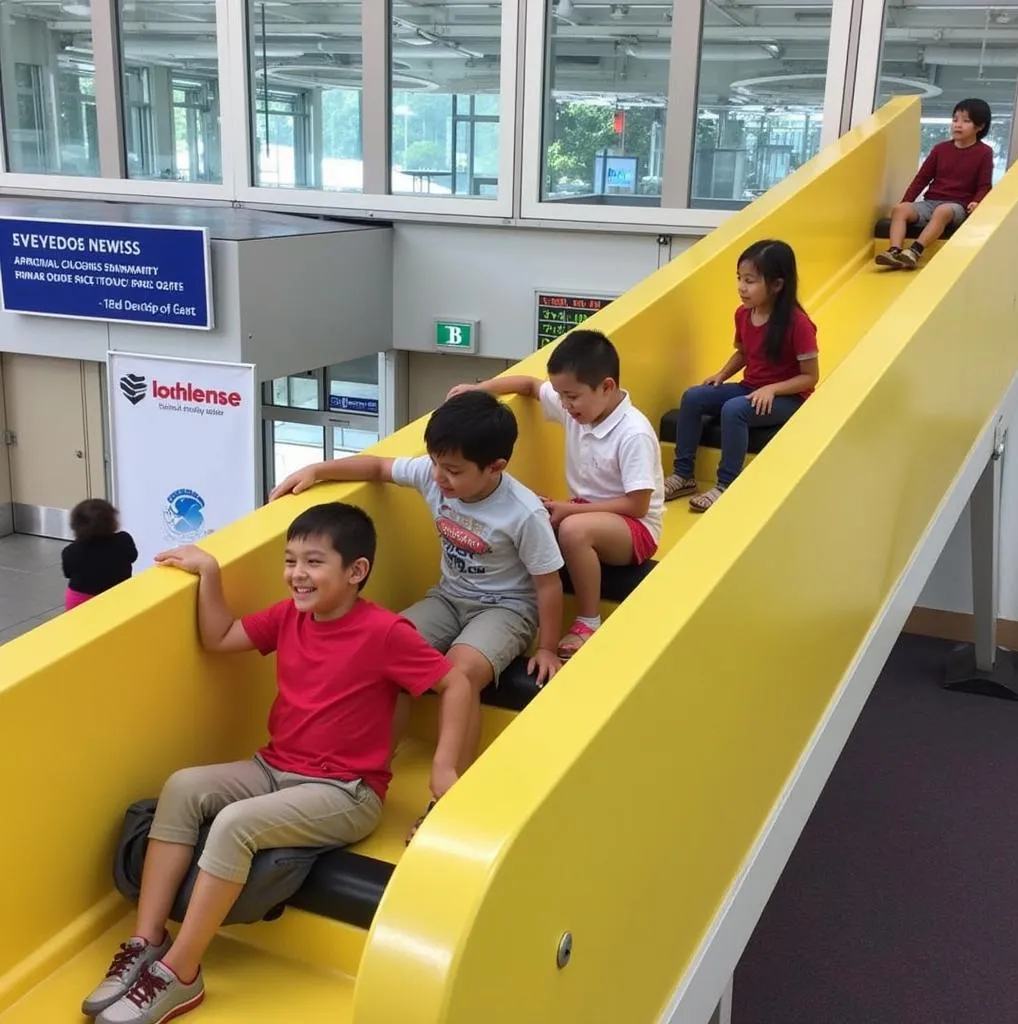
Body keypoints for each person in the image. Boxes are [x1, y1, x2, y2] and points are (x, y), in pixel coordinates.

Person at [81, 502, 472, 1024]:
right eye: (291, 561)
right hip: (273, 767)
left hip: (345, 791)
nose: (297, 575)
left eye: (313, 562)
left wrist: (444, 769)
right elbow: (220, 638)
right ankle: (146, 941)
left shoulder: (384, 632)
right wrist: (209, 571)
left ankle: (182, 973)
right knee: (182, 786)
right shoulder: (290, 616)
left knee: (234, 823)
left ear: (356, 572)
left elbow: (457, 682)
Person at [270, 391, 565, 801]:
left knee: (459, 673)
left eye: (453, 471)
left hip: (506, 609)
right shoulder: (432, 475)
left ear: (495, 467)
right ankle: (361, 775)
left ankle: (448, 792)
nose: (440, 478)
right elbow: (376, 466)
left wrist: (548, 648)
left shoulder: (523, 511)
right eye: (435, 464)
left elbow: (548, 583)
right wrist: (318, 470)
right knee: (384, 656)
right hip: (447, 597)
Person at [448, 330, 664, 659]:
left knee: (574, 530)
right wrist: (478, 390)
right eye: (561, 395)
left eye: (572, 396)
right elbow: (528, 386)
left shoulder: (633, 433)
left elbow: (638, 506)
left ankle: (588, 620)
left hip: (634, 529)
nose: (564, 404)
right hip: (586, 510)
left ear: (606, 387)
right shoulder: (578, 405)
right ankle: (510, 608)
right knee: (526, 513)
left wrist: (569, 511)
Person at [666, 239, 819, 513]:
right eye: (739, 278)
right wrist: (722, 374)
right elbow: (744, 353)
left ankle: (726, 484)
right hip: (751, 386)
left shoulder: (798, 323)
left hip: (789, 397)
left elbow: (810, 378)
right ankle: (683, 475)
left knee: (734, 410)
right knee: (693, 397)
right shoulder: (744, 314)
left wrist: (772, 390)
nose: (741, 287)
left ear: (777, 285)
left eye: (750, 281)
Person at [875, 97, 993, 270]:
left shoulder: (984, 152)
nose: (957, 125)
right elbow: (921, 179)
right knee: (900, 210)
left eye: (966, 121)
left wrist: (977, 201)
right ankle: (894, 251)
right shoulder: (940, 149)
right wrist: (906, 201)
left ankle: (915, 251)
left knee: (942, 211)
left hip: (956, 206)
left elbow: (984, 185)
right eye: (955, 120)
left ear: (980, 126)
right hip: (930, 202)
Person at [61, 498, 137, 611]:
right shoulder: (123, 540)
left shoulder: (70, 551)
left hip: (80, 601)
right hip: (119, 596)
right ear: (112, 521)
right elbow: (133, 557)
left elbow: (68, 573)